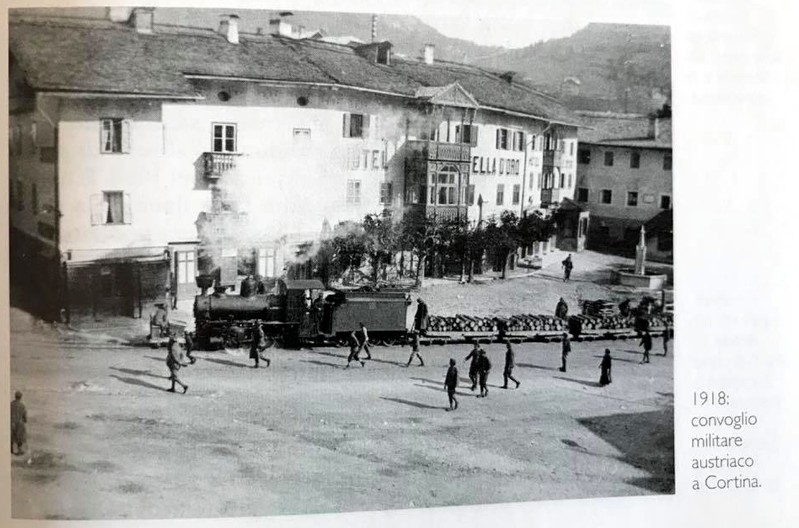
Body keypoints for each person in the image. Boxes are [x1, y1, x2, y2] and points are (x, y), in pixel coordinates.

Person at [11, 391, 27, 456]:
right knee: (20, 437)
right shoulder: (22, 405)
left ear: (15, 396)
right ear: (20, 397)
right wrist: (25, 420)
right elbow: (24, 415)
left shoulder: (11, 404)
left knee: (12, 436)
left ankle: (11, 449)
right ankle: (19, 450)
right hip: (20, 423)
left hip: (12, 422)